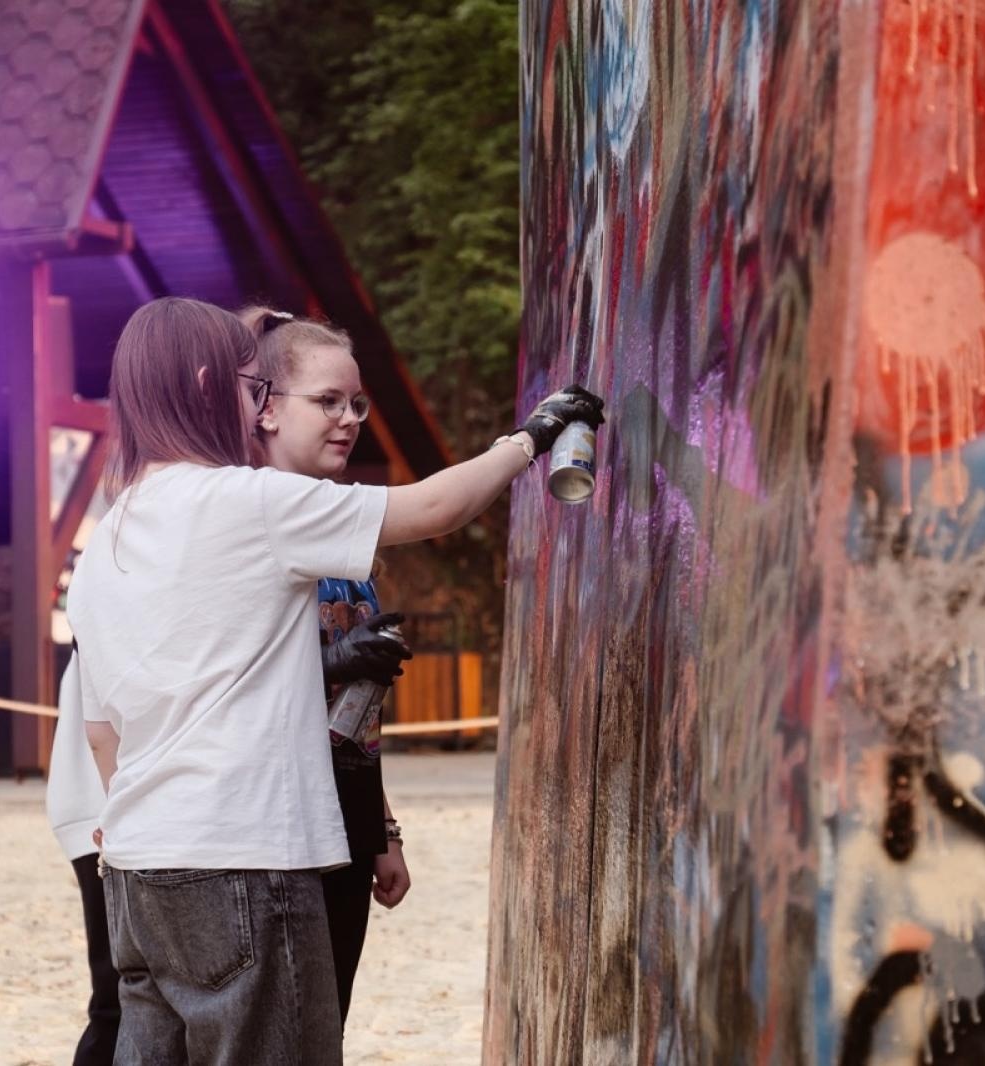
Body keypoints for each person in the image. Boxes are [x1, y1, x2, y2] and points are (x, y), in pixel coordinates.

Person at [68, 296, 601, 1065]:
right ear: (208, 382)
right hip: (242, 858)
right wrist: (531, 439)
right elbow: (433, 507)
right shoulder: (244, 502)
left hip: (138, 872)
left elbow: (101, 730)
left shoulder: (104, 540)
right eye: (255, 391)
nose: (256, 411)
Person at [241, 307, 413, 1025]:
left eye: (356, 403)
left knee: (325, 1023)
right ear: (268, 409)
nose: (349, 419)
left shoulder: (343, 538)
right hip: (268, 832)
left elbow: (357, 719)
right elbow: (231, 686)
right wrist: (330, 660)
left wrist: (383, 833)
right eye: (327, 402)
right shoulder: (241, 519)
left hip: (343, 823)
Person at [45, 649, 120, 1066]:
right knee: (117, 999)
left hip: (106, 801)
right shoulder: (107, 588)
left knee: (122, 995)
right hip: (101, 803)